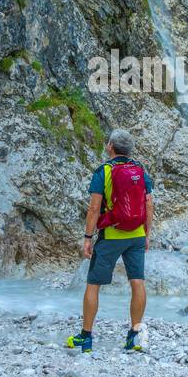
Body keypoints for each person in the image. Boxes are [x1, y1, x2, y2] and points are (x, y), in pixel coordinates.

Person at [65, 129, 154, 354]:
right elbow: (149, 204)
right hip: (136, 234)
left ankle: (86, 337)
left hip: (111, 236)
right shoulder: (141, 171)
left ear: (110, 146)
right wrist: (147, 234)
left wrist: (87, 237)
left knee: (93, 284)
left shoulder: (104, 171)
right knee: (137, 282)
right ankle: (134, 336)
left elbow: (94, 208)